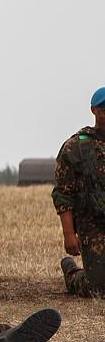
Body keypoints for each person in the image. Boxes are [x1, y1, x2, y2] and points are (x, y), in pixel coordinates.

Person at [54, 86, 105, 297]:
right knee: (99, 289)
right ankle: (73, 273)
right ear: (94, 110)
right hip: (93, 226)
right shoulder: (76, 147)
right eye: (103, 109)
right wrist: (69, 235)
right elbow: (63, 194)